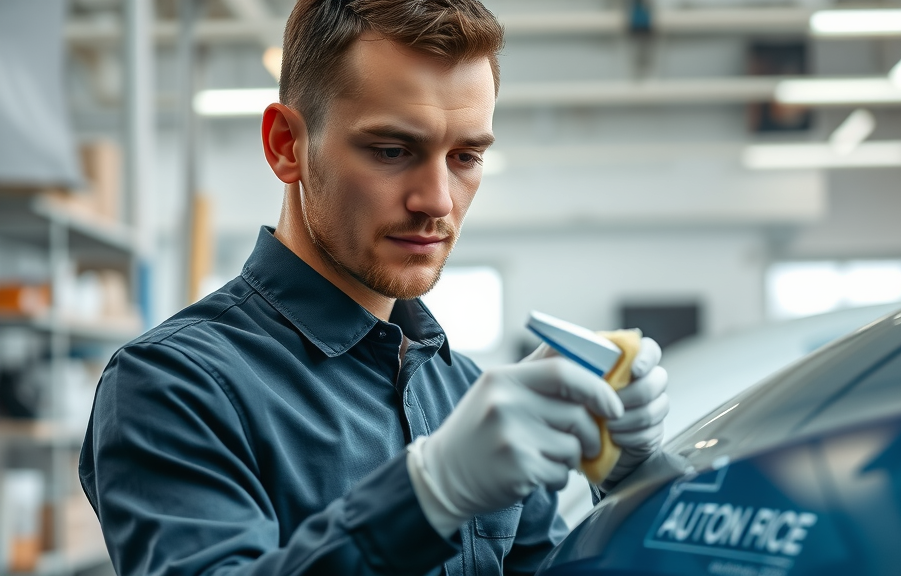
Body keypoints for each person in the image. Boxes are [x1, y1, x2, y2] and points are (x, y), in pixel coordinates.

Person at [79, 1, 670, 575]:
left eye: (465, 156)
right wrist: (427, 496)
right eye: (392, 150)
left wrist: (631, 492)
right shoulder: (171, 385)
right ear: (287, 146)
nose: (437, 200)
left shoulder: (462, 391)